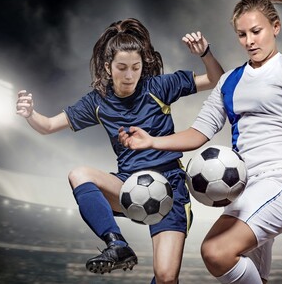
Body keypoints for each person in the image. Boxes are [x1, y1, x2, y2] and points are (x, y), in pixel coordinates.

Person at [118, 0, 282, 284]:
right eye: (242, 35)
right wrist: (151, 141)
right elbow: (198, 133)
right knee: (252, 274)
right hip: (246, 190)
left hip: (281, 182)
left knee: (215, 252)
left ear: (275, 27)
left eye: (256, 31)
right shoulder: (229, 82)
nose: (250, 41)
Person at [15, 18, 224, 283]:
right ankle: (117, 245)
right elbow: (47, 126)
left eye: (135, 67)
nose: (129, 75)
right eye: (122, 67)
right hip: (128, 185)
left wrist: (205, 53)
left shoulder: (159, 87)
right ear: (107, 67)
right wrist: (31, 113)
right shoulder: (98, 102)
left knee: (166, 277)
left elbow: (218, 79)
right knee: (80, 174)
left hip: (170, 187)